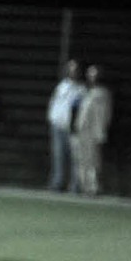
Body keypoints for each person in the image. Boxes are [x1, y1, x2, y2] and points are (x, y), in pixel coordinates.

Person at [70, 64, 113, 197]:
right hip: (80, 131)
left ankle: (93, 188)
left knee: (93, 161)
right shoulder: (85, 92)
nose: (91, 77)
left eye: (94, 74)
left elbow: (103, 115)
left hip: (92, 132)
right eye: (89, 74)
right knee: (81, 160)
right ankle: (84, 187)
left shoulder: (102, 93)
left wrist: (99, 134)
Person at [46, 58, 86, 192]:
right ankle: (58, 183)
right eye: (71, 69)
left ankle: (75, 185)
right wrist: (52, 119)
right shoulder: (62, 86)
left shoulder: (81, 90)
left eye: (75, 69)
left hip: (74, 129)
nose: (73, 72)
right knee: (58, 155)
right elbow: (54, 104)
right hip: (58, 126)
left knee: (75, 158)